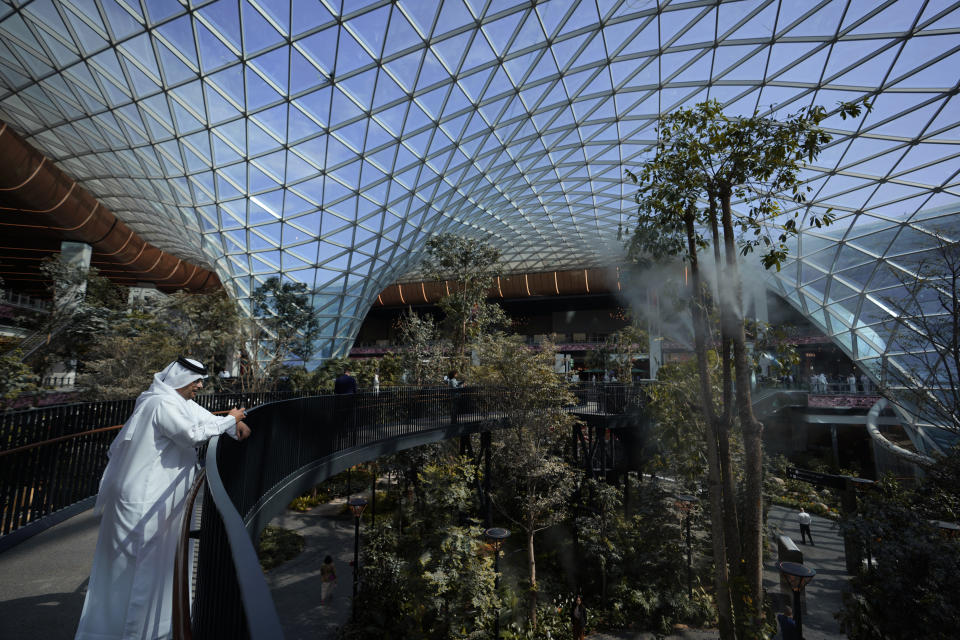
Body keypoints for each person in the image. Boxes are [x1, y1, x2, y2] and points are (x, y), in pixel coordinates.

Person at [75, 357, 249, 640]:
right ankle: (134, 632)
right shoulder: (161, 404)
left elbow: (202, 417)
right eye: (196, 381)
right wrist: (232, 419)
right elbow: (192, 434)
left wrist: (231, 426)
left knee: (154, 565)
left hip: (154, 499)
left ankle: (149, 627)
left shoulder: (171, 400)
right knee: (142, 566)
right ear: (181, 380)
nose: (200, 386)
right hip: (145, 502)